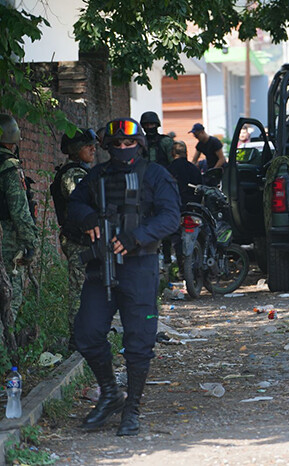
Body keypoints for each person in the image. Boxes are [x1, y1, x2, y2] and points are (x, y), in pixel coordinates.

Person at [68, 117, 180, 436]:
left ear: (140, 144)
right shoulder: (96, 176)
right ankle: (111, 394)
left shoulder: (156, 175)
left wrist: (136, 236)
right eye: (115, 144)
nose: (122, 149)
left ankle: (132, 408)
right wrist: (87, 216)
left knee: (139, 342)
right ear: (107, 147)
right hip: (100, 266)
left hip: (139, 268)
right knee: (86, 333)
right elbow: (73, 206)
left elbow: (171, 216)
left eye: (128, 143)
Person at [50, 128, 98, 349]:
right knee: (79, 289)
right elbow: (82, 204)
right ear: (76, 150)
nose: (93, 149)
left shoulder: (83, 172)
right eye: (88, 146)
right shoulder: (72, 174)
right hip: (78, 239)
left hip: (86, 238)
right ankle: (77, 339)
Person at [0, 114, 38, 327]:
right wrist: (29, 243)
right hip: (7, 242)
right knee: (10, 299)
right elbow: (19, 210)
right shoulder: (9, 167)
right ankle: (5, 355)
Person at [168, 141, 202, 209]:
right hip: (193, 207)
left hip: (175, 207)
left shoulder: (168, 170)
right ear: (186, 152)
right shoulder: (195, 169)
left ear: (173, 153)